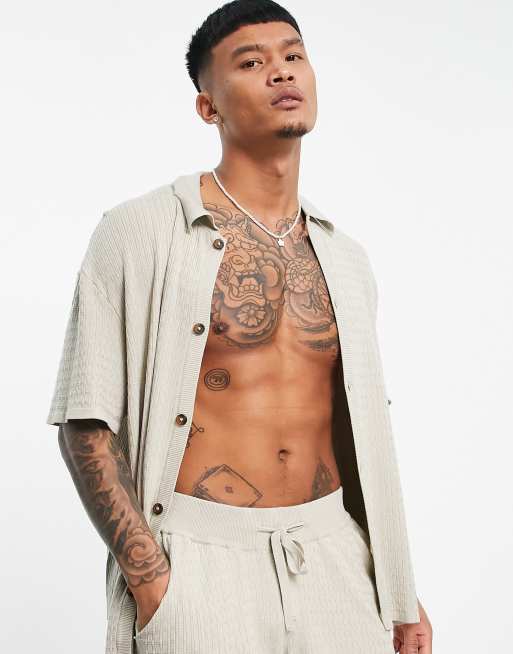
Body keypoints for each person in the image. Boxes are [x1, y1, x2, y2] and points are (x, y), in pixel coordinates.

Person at [46, 1, 432, 652]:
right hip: (198, 564)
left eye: (293, 55)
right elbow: (86, 420)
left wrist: (397, 586)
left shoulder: (345, 258)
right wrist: (151, 579)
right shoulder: (138, 232)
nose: (281, 71)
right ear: (208, 107)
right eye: (251, 63)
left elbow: (354, 433)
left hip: (336, 559)